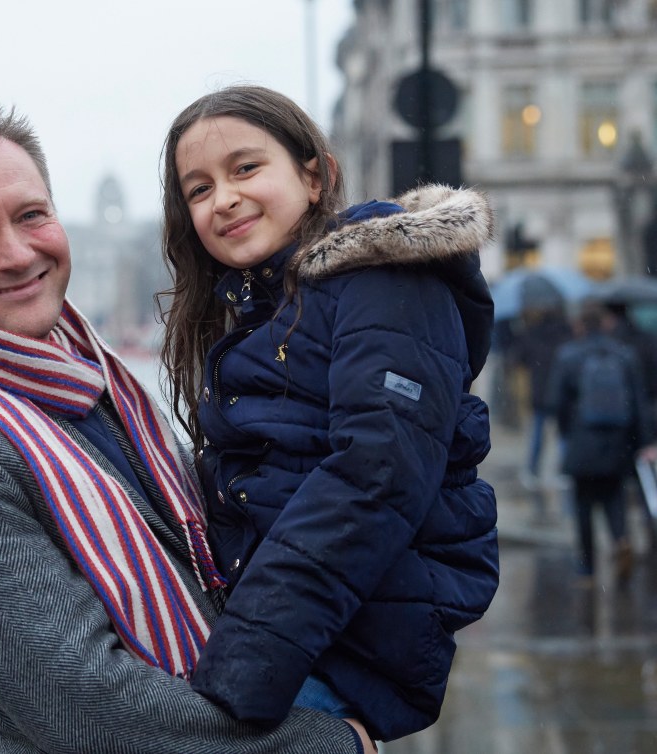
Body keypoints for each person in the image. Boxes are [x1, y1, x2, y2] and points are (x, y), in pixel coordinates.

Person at [0, 97, 375, 754]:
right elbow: (96, 710)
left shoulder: (82, 370)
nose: (17, 254)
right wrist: (334, 746)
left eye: (30, 215)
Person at [157, 85, 500, 742]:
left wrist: (243, 663)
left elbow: (374, 474)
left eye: (245, 168)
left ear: (313, 177)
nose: (221, 197)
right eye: (197, 189)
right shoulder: (266, 308)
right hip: (306, 630)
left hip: (337, 644)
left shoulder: (385, 280)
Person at [546, 301, 657, 584]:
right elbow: (639, 403)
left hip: (582, 440)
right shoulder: (624, 354)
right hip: (618, 441)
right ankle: (620, 540)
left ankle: (587, 568)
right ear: (605, 323)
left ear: (580, 325)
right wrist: (644, 442)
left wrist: (567, 431)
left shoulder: (568, 355)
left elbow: (555, 402)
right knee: (614, 496)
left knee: (583, 503)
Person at [506, 306, 572, 490]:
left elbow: (517, 359)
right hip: (561, 392)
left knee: (537, 433)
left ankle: (532, 470)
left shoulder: (532, 335)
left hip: (539, 391)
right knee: (562, 435)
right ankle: (563, 471)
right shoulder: (565, 335)